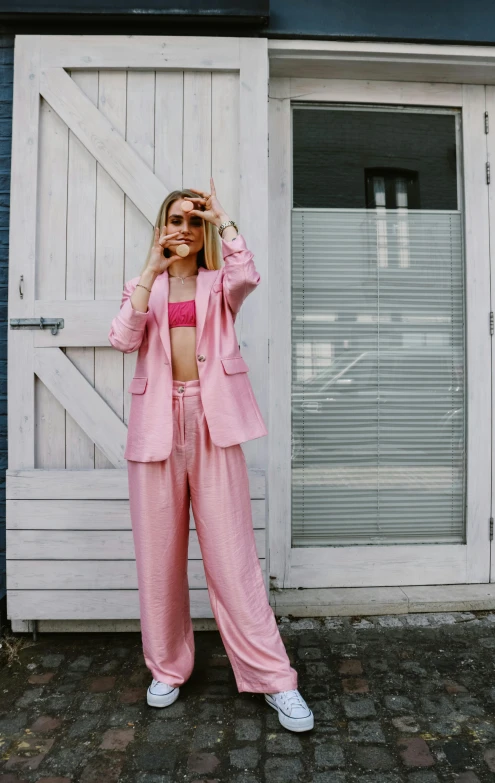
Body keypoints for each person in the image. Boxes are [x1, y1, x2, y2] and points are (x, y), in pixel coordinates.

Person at [108, 178, 314, 733]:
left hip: (213, 422)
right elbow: (124, 338)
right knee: (159, 558)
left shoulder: (220, 283)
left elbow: (249, 272)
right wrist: (151, 268)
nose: (185, 228)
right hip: (156, 427)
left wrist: (222, 215)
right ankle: (168, 669)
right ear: (161, 228)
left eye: (193, 222)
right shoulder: (140, 286)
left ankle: (275, 679)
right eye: (176, 219)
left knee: (232, 556)